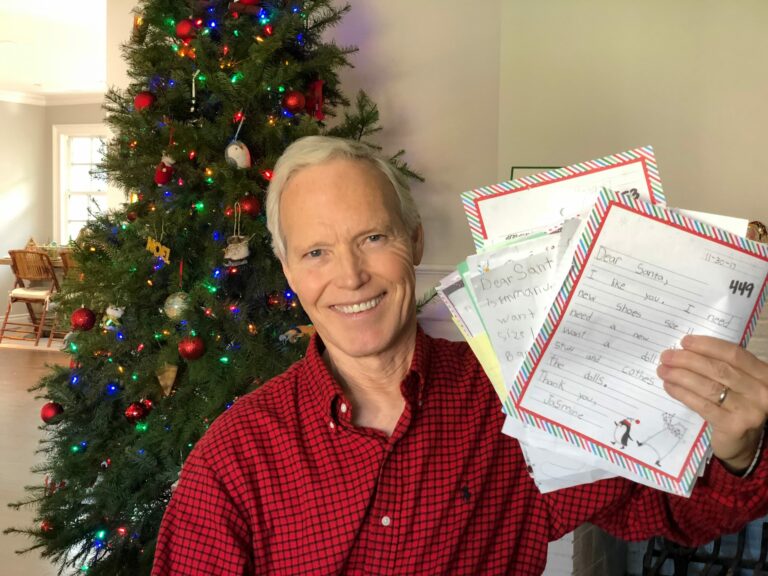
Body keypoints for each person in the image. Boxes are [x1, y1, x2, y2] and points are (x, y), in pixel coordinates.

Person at [152, 136, 768, 575]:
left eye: (372, 237)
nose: (352, 276)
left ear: (414, 239)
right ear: (289, 272)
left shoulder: (515, 395)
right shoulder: (234, 460)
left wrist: (738, 452)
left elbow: (669, 509)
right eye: (316, 253)